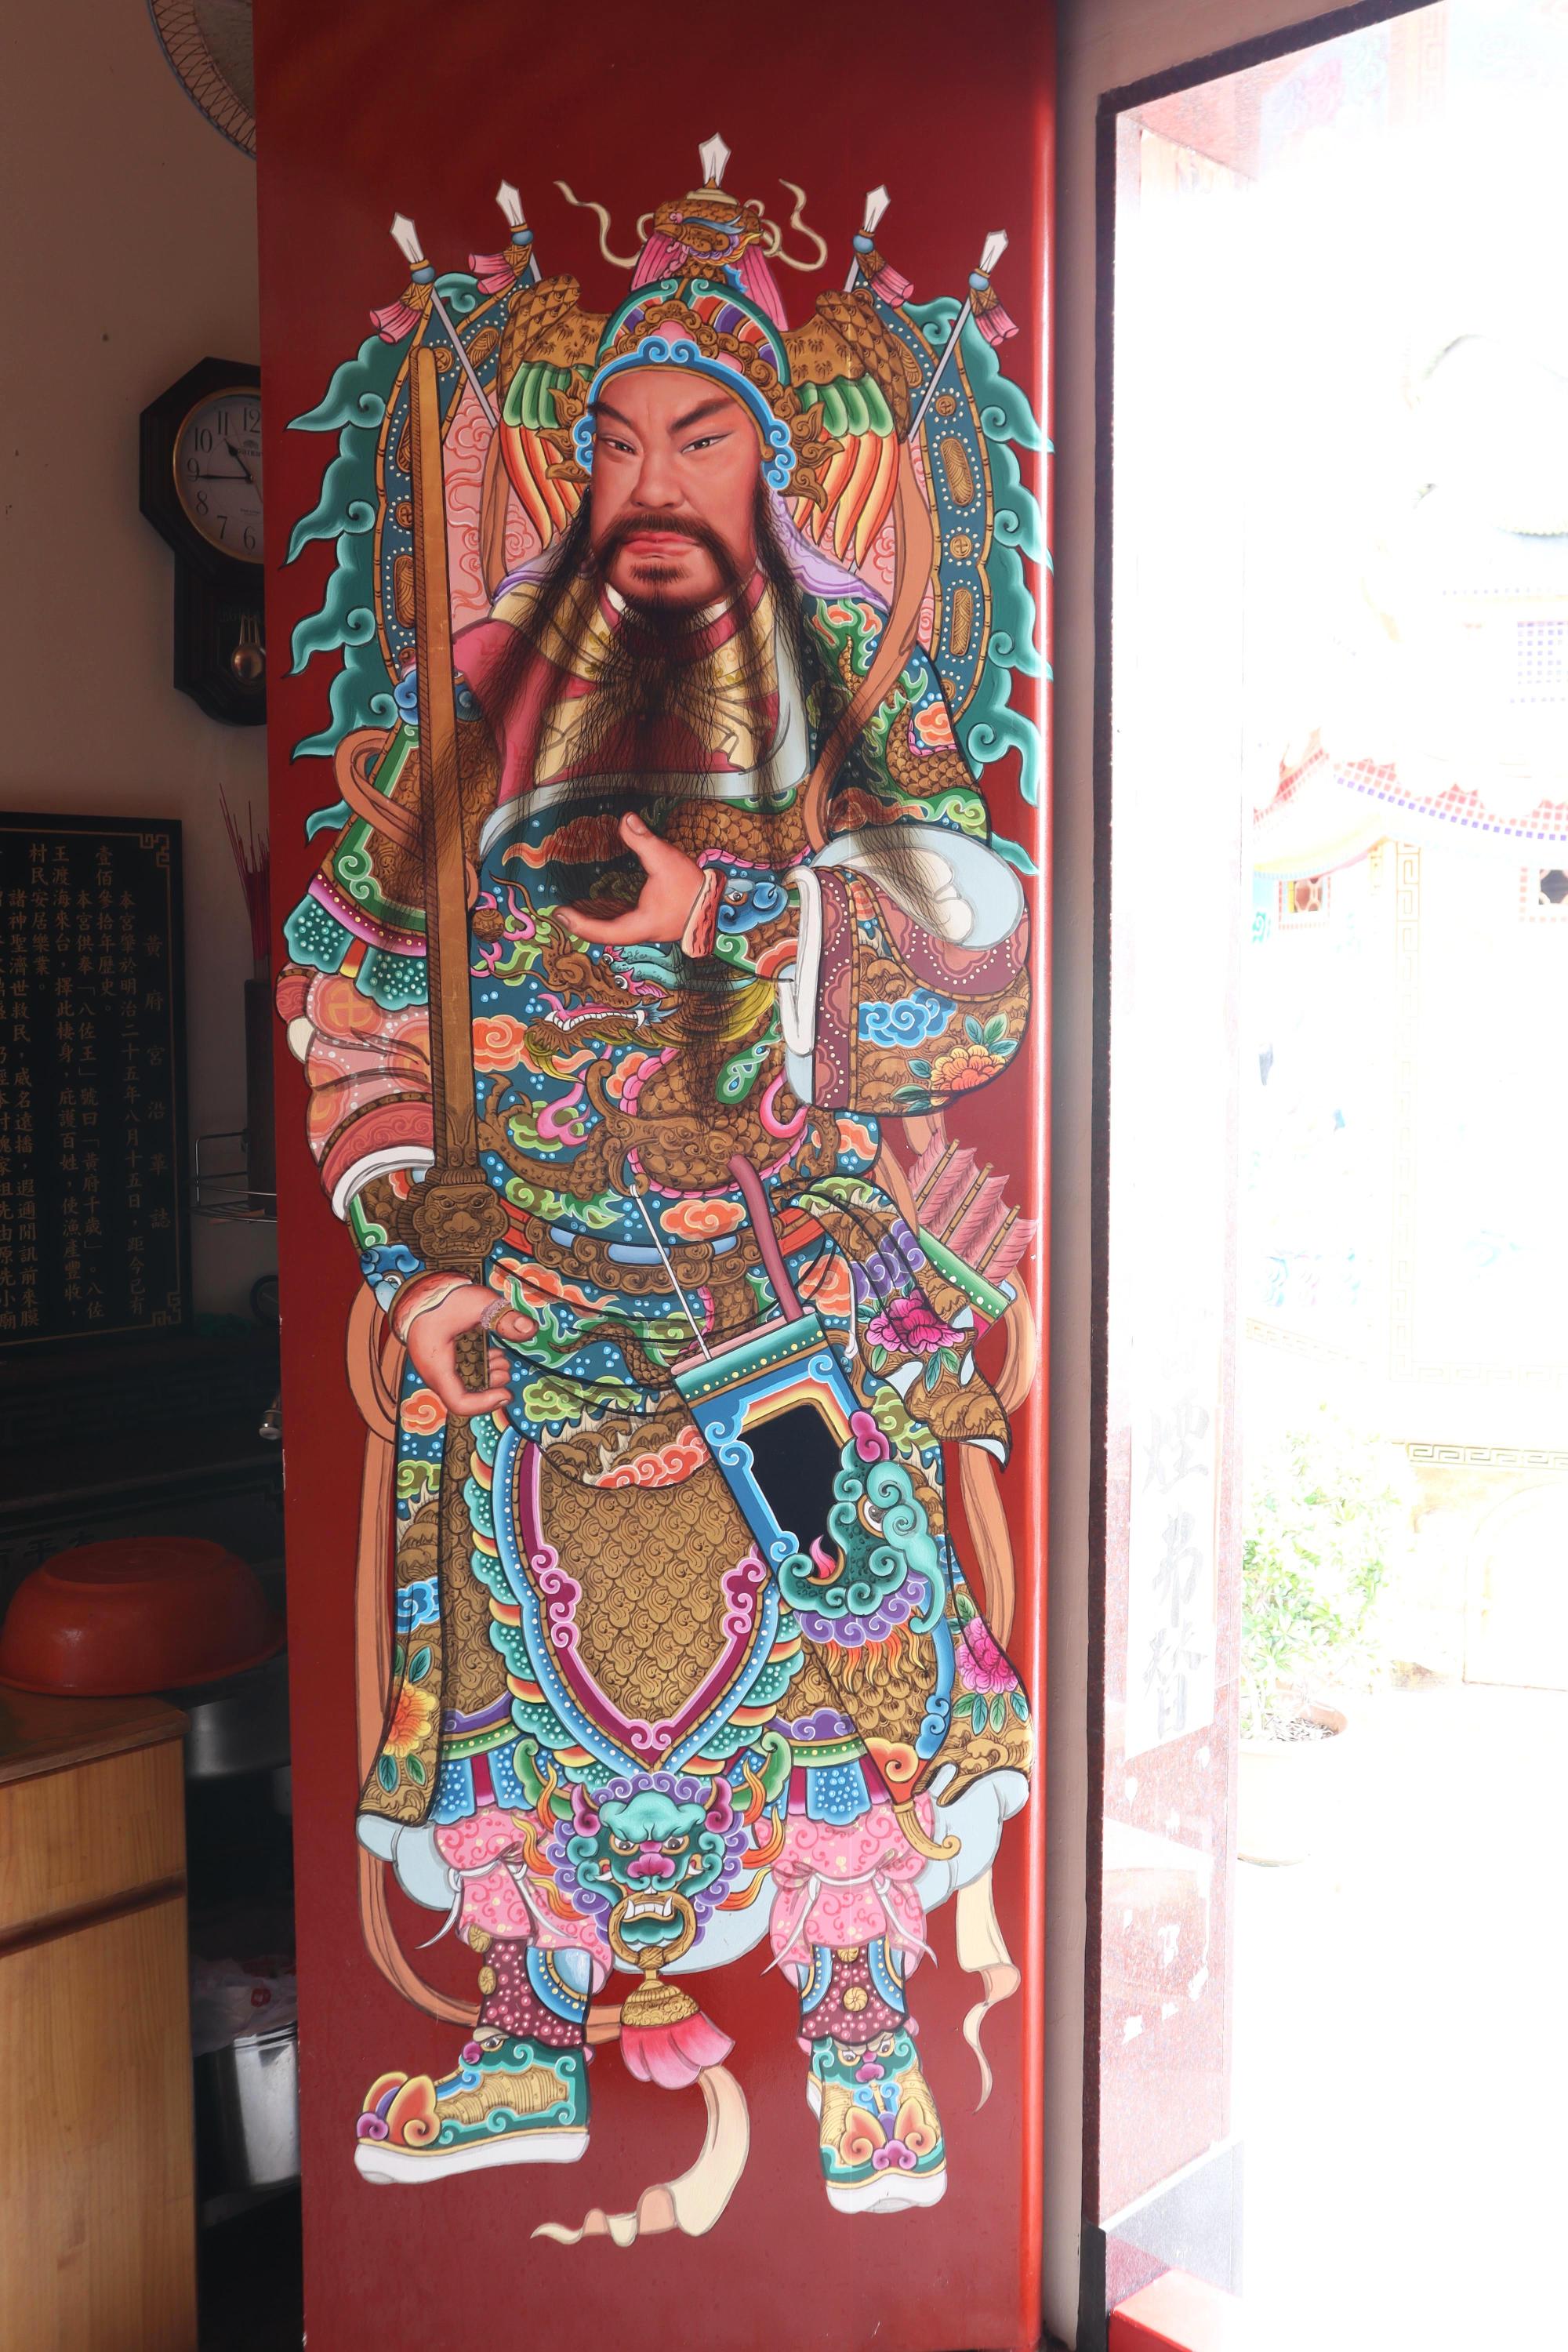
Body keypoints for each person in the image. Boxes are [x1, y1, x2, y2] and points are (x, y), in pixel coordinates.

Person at [277, 188, 1032, 2216]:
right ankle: (524, 2040)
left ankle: (860, 2035)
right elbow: (353, 1001)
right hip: (528, 1281)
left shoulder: (853, 711)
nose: (654, 485)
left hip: (766, 1282)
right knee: (505, 1661)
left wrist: (731, 913)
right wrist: (414, 1254)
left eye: (700, 439)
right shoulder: (482, 719)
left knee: (839, 1643)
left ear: (771, 466)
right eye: (616, 444)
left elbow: (973, 980)